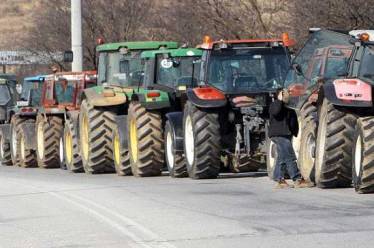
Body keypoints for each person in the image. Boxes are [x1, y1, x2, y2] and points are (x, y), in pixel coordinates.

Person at [269, 89, 313, 189]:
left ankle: (279, 180)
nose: (288, 95)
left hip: (285, 135)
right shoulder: (275, 105)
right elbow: (276, 112)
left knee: (282, 157)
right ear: (280, 95)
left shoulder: (289, 108)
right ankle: (297, 179)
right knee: (290, 156)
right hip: (278, 135)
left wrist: (294, 133)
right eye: (285, 93)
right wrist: (280, 100)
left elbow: (293, 123)